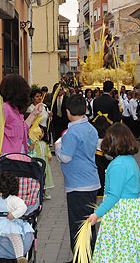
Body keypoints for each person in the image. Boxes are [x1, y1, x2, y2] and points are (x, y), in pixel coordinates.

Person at [87, 123, 140, 262]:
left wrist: (96, 214)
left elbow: (113, 196)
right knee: (134, 244)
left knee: (121, 244)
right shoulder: (130, 160)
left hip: (123, 212)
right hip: (135, 208)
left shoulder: (118, 165)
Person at [55, 94, 101, 262]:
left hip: (77, 185)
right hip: (91, 181)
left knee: (78, 224)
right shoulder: (91, 128)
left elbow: (65, 157)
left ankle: (81, 258)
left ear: (67, 112)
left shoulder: (72, 131)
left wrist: (58, 147)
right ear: (86, 110)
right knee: (88, 223)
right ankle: (88, 256)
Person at [0, 74, 38, 163]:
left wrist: (34, 113)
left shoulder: (15, 109)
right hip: (8, 160)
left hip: (19, 156)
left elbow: (23, 128)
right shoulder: (4, 109)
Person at [90, 114, 112, 198]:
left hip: (96, 156)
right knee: (105, 174)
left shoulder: (94, 134)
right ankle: (105, 189)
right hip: (105, 156)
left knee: (98, 174)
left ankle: (98, 190)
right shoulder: (107, 136)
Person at [33, 125, 54, 199]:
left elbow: (48, 150)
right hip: (37, 162)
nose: (40, 135)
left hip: (45, 162)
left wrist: (49, 155)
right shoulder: (34, 142)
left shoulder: (45, 143)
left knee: (46, 177)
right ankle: (38, 193)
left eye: (42, 133)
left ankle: (44, 192)